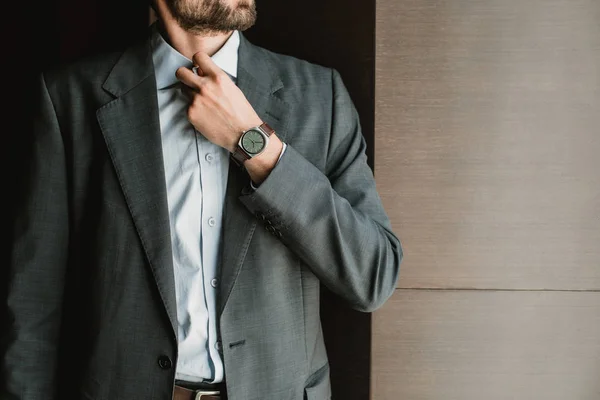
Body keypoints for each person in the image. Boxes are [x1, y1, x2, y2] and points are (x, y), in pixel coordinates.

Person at [2, 0, 402, 399]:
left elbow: (372, 277)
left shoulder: (320, 95)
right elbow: (33, 308)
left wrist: (255, 144)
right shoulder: (68, 98)